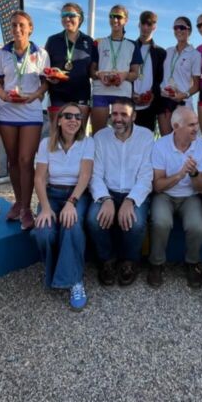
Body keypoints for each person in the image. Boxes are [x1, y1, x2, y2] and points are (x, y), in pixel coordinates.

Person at [0, 10, 49, 230]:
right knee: (13, 160)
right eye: (14, 25)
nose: (17, 29)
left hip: (30, 110)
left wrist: (35, 95)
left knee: (26, 159)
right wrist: (3, 95)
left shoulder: (40, 53)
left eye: (22, 25)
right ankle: (19, 202)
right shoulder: (1, 54)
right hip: (6, 110)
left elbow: (46, 82)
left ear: (30, 28)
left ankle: (27, 208)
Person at [32, 103, 94, 311]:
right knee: (43, 232)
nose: (73, 120)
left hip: (76, 193)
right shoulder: (45, 144)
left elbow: (85, 176)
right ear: (58, 120)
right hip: (51, 193)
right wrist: (46, 208)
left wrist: (71, 203)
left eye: (77, 117)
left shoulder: (87, 143)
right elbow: (39, 179)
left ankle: (75, 280)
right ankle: (56, 273)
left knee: (71, 225)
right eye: (67, 116)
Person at [87, 97, 154, 286]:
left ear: (134, 116)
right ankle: (106, 260)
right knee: (94, 220)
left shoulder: (146, 136)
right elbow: (95, 174)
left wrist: (131, 200)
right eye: (114, 113)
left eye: (124, 114)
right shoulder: (100, 137)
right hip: (107, 192)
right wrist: (105, 198)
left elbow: (146, 176)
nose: (118, 118)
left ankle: (129, 261)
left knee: (136, 222)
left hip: (133, 193)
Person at [148, 106, 202, 288]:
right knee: (161, 222)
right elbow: (157, 186)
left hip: (190, 196)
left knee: (197, 227)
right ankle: (156, 264)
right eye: (191, 125)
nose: (196, 128)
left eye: (197, 123)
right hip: (165, 195)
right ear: (176, 126)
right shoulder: (160, 145)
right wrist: (179, 175)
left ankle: (192, 262)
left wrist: (193, 174)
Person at [43, 2, 96, 128]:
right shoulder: (52, 40)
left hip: (81, 95)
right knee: (57, 135)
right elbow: (45, 69)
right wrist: (50, 77)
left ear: (80, 18)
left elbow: (92, 71)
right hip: (57, 95)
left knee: (79, 135)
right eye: (64, 15)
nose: (67, 18)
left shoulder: (89, 41)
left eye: (71, 15)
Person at [90, 5, 142, 132]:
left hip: (122, 92)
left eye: (118, 17)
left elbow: (135, 73)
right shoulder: (99, 42)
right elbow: (91, 71)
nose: (115, 20)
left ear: (126, 20)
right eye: (112, 16)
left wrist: (124, 75)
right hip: (101, 91)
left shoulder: (132, 45)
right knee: (98, 134)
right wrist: (99, 74)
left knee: (122, 133)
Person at [159, 16, 202, 135]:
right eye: (175, 28)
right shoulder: (168, 51)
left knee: (184, 142)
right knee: (166, 141)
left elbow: (196, 85)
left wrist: (183, 95)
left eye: (182, 27)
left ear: (189, 31)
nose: (178, 30)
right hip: (164, 101)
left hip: (182, 103)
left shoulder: (195, 54)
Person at [132, 10, 166, 132]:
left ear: (154, 27)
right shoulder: (129, 47)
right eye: (143, 24)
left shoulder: (161, 53)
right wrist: (131, 94)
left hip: (149, 106)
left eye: (149, 24)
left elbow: (161, 79)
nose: (146, 27)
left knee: (146, 143)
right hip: (130, 104)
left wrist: (152, 95)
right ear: (139, 25)